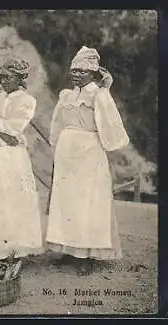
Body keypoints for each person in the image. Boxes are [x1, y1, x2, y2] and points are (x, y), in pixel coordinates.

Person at [46, 46, 129, 276]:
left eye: (82, 71)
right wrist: (57, 146)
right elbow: (57, 124)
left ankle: (85, 255)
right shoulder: (66, 95)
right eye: (74, 70)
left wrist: (105, 143)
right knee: (67, 202)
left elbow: (110, 125)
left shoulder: (99, 95)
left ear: (93, 73)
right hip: (67, 152)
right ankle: (68, 249)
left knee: (87, 202)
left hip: (89, 152)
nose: (76, 74)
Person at [0, 57, 44, 260]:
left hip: (10, 156)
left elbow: (15, 128)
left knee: (11, 197)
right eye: (1, 77)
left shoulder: (27, 101)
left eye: (8, 78)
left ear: (20, 78)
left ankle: (15, 249)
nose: (3, 81)